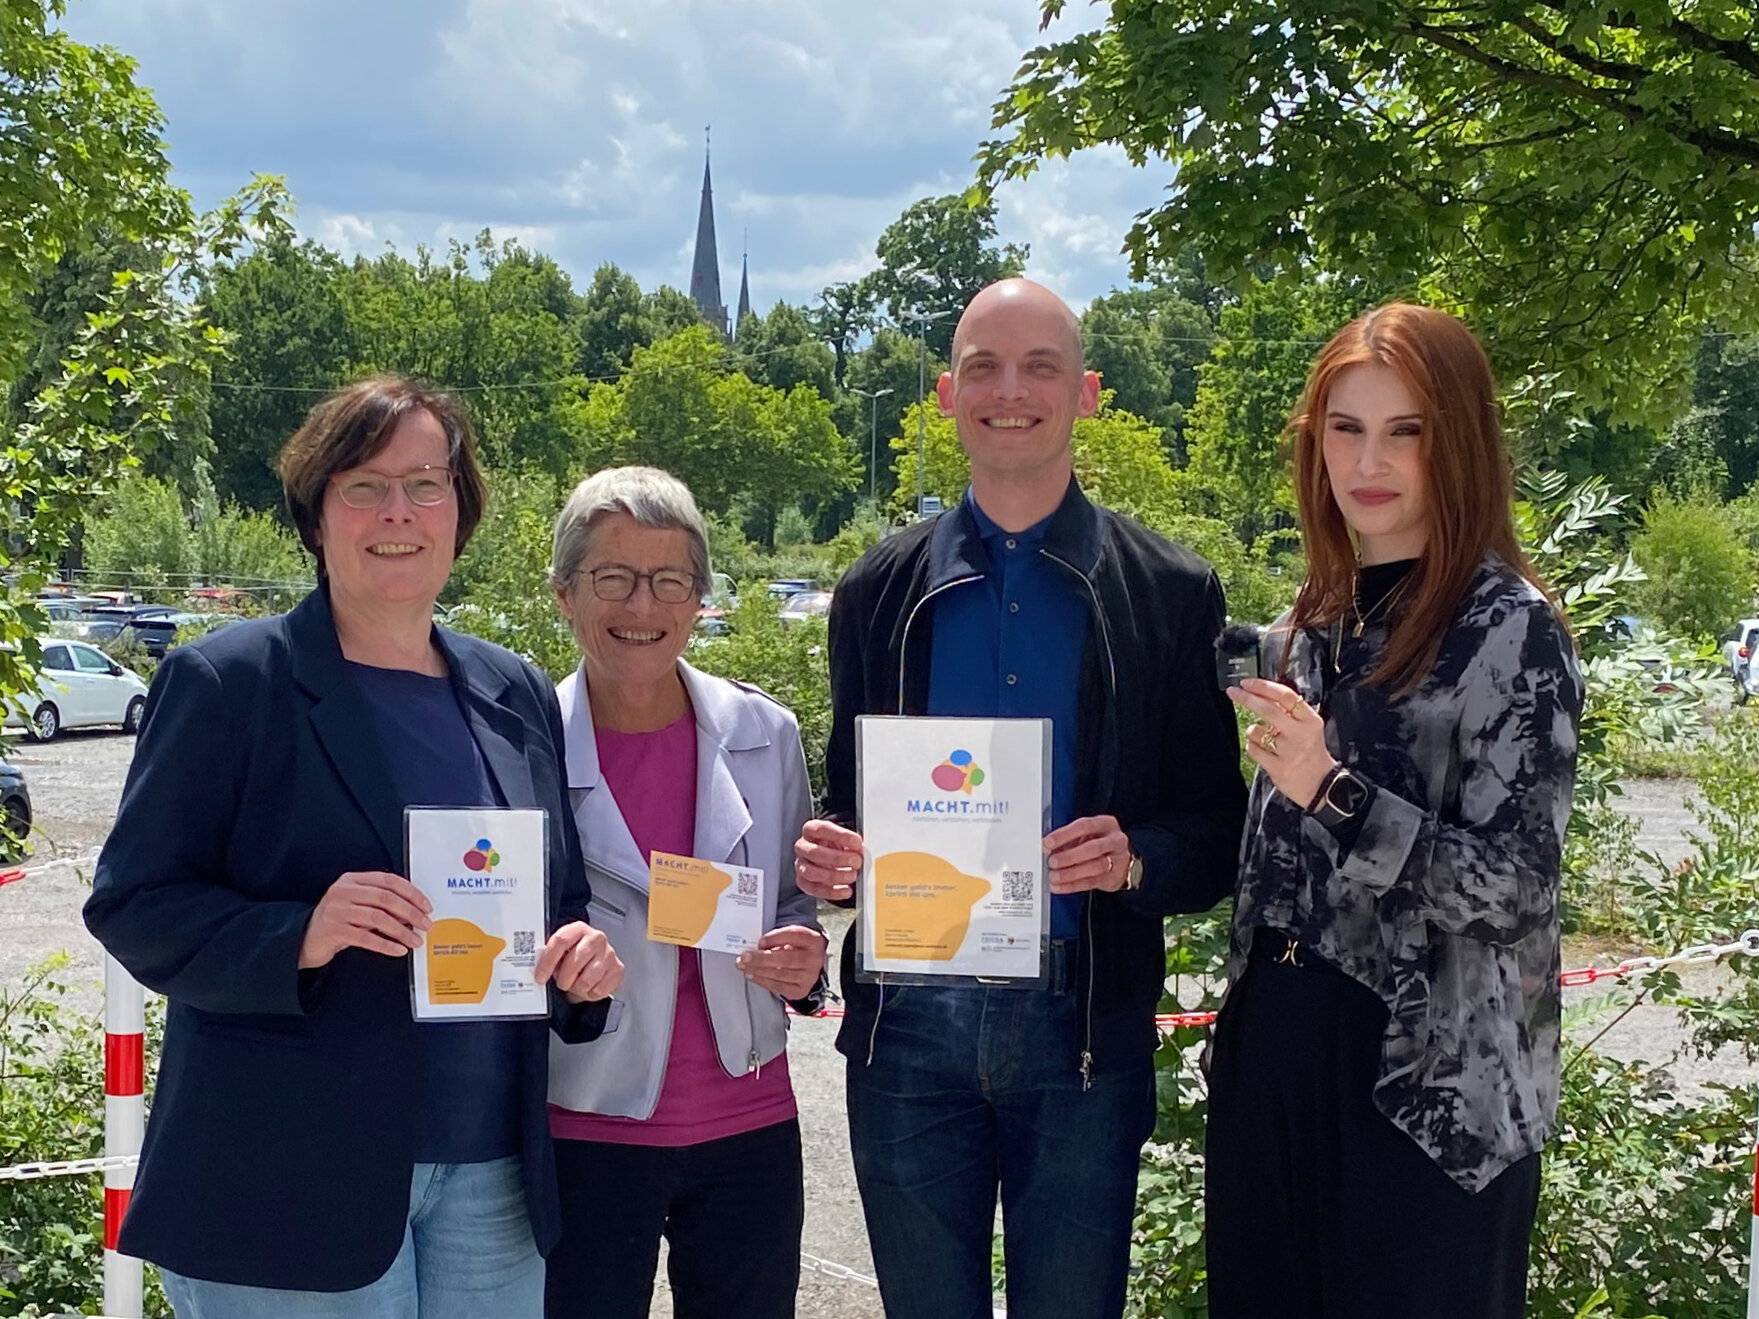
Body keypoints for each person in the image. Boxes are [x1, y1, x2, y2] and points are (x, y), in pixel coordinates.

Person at [83, 375, 624, 1318]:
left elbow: (557, 898)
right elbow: (134, 901)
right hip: (288, 1177)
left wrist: (578, 964)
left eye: (427, 483)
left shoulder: (514, 689)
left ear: (461, 510)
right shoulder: (229, 681)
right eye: (363, 485)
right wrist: (301, 933)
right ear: (315, 513)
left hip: (489, 1176)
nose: (398, 512)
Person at [793, 278, 1247, 1319]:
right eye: (984, 368)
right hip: (908, 1024)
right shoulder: (876, 590)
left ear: (1086, 392)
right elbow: (850, 802)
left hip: (1079, 1022)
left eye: (1040, 366)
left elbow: (1216, 833)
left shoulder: (1169, 589)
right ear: (946, 395)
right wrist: (828, 856)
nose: (1012, 390)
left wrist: (1135, 857)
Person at [1207, 303, 1583, 1317]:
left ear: (1456, 441)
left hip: (1429, 1092)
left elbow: (1513, 891)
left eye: (1404, 429)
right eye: (1345, 427)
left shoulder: (1510, 631)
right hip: (1276, 1062)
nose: (1368, 459)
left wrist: (1334, 793)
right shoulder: (1306, 625)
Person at [543, 467, 828, 1319]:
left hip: (748, 1121)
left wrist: (805, 958)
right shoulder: (523, 744)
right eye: (613, 578)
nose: (643, 605)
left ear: (700, 598)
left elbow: (793, 908)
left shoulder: (764, 733)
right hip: (584, 1120)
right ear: (564, 593)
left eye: (670, 580)